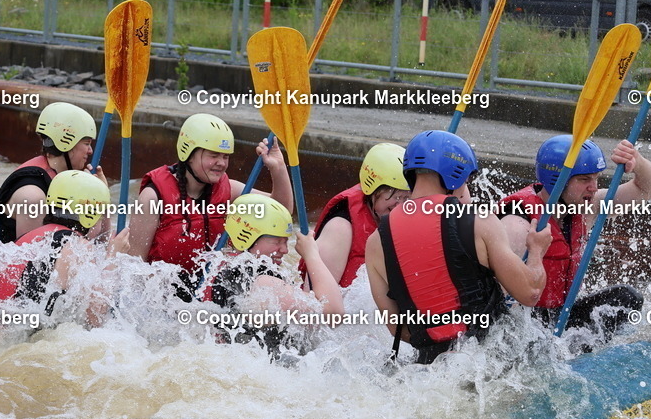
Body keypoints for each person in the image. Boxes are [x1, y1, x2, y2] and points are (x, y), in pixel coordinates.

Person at [365, 130, 552, 364]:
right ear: (456, 176)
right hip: (489, 361)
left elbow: (396, 328)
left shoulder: (375, 242)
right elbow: (530, 293)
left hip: (428, 367)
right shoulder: (478, 219)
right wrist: (536, 250)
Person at [500, 135, 651, 336]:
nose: (594, 188)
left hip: (560, 314)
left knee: (626, 298)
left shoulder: (588, 207)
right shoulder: (517, 226)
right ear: (556, 180)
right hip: (524, 323)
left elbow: (650, 189)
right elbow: (498, 305)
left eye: (596, 178)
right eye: (584, 179)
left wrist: (637, 161)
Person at [125, 113, 294, 299]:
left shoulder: (229, 190)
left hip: (208, 296)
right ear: (188, 154)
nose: (221, 163)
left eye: (225, 156)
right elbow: (134, 266)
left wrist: (277, 168)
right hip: (164, 298)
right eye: (213, 155)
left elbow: (280, 211)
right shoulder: (152, 198)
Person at [203, 194, 344, 361]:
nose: (285, 250)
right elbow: (334, 315)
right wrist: (312, 254)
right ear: (246, 238)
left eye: (286, 241)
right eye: (277, 241)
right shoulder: (263, 284)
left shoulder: (227, 274)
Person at [0, 101, 104, 253]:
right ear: (66, 143)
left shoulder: (66, 177)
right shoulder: (32, 195)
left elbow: (102, 242)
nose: (90, 151)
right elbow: (30, 264)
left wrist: (101, 195)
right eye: (86, 143)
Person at [0, 169, 111, 321]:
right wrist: (112, 260)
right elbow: (96, 317)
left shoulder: (34, 235)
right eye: (100, 217)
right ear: (89, 217)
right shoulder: (78, 246)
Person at [300, 142, 409, 287]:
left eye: (406, 197)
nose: (400, 205)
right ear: (373, 189)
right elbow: (316, 300)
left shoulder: (402, 217)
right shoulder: (339, 228)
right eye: (395, 197)